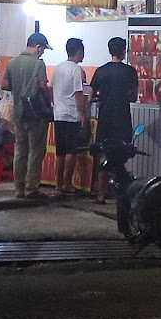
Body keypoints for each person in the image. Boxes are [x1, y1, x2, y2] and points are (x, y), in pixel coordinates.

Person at [1, 33, 52, 199]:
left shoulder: (12, 62)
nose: (43, 52)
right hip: (36, 114)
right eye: (43, 49)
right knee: (36, 151)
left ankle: (19, 189)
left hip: (18, 113)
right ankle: (31, 188)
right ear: (38, 47)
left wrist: (19, 90)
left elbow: (4, 85)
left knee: (20, 150)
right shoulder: (38, 64)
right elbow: (42, 86)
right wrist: (48, 100)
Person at [90, 37, 138, 204]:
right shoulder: (130, 71)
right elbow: (133, 97)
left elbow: (92, 95)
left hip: (105, 118)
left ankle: (101, 193)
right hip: (122, 118)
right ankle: (121, 193)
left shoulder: (101, 71)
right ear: (123, 50)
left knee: (104, 154)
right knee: (121, 154)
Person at [51, 38, 87, 197]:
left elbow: (50, 89)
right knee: (71, 151)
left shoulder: (58, 68)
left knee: (60, 152)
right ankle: (67, 183)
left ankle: (58, 185)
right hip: (72, 115)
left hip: (58, 114)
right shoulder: (76, 70)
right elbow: (79, 94)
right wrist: (83, 114)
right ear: (78, 51)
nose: (83, 55)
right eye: (83, 52)